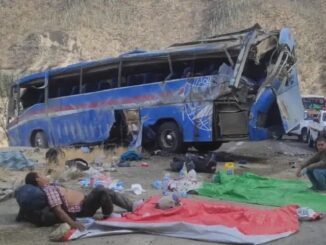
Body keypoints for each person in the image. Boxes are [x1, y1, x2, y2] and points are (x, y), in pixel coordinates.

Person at [25, 172, 142, 231]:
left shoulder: (52, 185)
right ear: (37, 179)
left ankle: (131, 206)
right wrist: (73, 224)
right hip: (82, 210)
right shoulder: (48, 189)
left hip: (85, 202)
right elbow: (58, 210)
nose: (44, 175)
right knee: (101, 189)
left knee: (106, 192)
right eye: (41, 175)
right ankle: (109, 215)